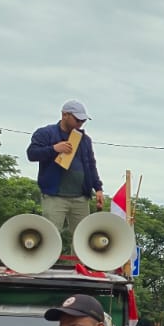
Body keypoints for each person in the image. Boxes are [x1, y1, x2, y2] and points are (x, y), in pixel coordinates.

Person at [26, 100, 106, 240]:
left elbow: (91, 165)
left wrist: (98, 188)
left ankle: (79, 263)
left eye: (83, 120)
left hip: (81, 197)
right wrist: (54, 149)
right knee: (50, 236)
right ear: (64, 115)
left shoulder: (84, 140)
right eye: (77, 119)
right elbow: (32, 154)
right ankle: (47, 262)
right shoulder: (45, 133)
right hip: (54, 196)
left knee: (83, 239)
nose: (80, 123)